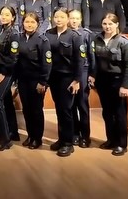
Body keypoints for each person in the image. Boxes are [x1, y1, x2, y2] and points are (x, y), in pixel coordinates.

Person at [91, 13, 128, 156]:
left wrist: (125, 86)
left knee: (120, 114)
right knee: (107, 112)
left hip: (118, 81)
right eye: (105, 24)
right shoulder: (97, 39)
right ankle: (111, 140)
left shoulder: (124, 42)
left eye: (110, 24)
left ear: (117, 24)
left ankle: (122, 144)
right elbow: (95, 61)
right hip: (103, 81)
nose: (107, 27)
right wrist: (93, 76)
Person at [45, 8, 84, 157]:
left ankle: (68, 143)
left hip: (68, 78)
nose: (59, 20)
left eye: (62, 17)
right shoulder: (48, 34)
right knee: (59, 109)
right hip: (53, 77)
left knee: (66, 109)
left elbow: (80, 60)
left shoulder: (75, 36)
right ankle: (61, 139)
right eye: (56, 17)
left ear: (67, 19)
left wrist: (77, 80)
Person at [15, 12, 51, 149]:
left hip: (37, 81)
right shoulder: (19, 38)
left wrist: (43, 82)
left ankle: (37, 138)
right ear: (22, 23)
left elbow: (47, 63)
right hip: (23, 80)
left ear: (37, 24)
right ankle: (30, 135)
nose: (29, 25)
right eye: (27, 22)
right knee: (26, 109)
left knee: (36, 110)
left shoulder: (43, 40)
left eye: (32, 22)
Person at [0, 6, 20, 151]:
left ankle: (4, 138)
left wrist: (3, 73)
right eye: (2, 14)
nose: (4, 17)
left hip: (8, 72)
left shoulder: (14, 33)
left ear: (13, 17)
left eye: (7, 15)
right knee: (6, 101)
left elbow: (14, 58)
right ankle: (13, 132)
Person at [68, 9, 95, 148]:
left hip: (83, 71)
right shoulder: (66, 33)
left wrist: (92, 74)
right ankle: (75, 134)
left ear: (81, 19)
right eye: (71, 18)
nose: (74, 21)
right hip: (69, 72)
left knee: (82, 104)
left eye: (77, 18)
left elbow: (92, 55)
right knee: (71, 105)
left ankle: (85, 136)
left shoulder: (87, 34)